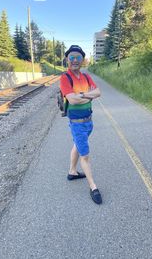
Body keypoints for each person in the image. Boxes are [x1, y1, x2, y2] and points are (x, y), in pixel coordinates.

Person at [60, 45, 102, 204]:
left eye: (78, 57)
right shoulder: (65, 78)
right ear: (67, 60)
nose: (75, 60)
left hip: (88, 121)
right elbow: (72, 100)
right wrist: (89, 97)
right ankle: (93, 187)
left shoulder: (86, 77)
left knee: (77, 145)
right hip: (76, 123)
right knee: (84, 155)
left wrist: (83, 95)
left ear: (82, 60)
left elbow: (98, 92)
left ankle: (72, 172)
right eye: (72, 57)